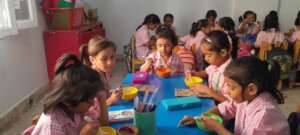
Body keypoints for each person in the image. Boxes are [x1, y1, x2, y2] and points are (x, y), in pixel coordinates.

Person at [180, 56, 290, 135]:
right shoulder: (246, 98)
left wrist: (218, 128)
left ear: (251, 89)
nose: (227, 91)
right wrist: (200, 118)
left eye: (231, 87)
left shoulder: (264, 116)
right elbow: (225, 108)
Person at [32, 54, 106, 135]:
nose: (93, 104)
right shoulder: (52, 126)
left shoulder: (76, 109)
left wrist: (102, 99)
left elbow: (103, 123)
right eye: (88, 101)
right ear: (68, 100)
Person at [190, 30, 232, 102]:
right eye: (204, 55)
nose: (206, 59)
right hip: (211, 102)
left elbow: (230, 103)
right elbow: (206, 72)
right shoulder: (215, 64)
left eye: (209, 55)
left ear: (223, 53)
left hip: (222, 109)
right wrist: (194, 74)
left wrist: (209, 91)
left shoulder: (231, 73)